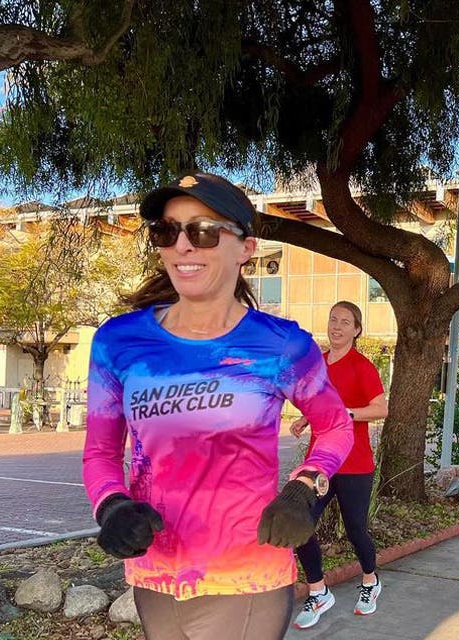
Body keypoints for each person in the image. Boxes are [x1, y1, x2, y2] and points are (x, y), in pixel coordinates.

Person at [83, 172, 354, 640]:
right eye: (167, 231)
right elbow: (101, 453)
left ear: (245, 248)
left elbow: (335, 427)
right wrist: (110, 507)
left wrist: (303, 489)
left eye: (204, 231)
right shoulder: (118, 341)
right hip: (158, 568)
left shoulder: (281, 344)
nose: (183, 246)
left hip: (247, 567)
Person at [291, 301, 389, 628]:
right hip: (319, 464)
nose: (337, 326)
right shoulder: (318, 363)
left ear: (356, 330)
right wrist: (306, 419)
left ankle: (371, 581)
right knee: (299, 523)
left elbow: (380, 409)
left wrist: (348, 413)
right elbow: (319, 400)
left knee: (356, 529)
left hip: (355, 463)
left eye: (345, 322)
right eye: (333, 319)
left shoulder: (362, 366)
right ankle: (319, 592)